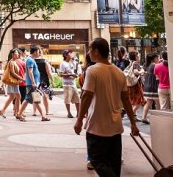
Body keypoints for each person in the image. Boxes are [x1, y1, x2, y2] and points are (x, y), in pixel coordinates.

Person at [74, 38, 139, 177]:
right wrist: (133, 123)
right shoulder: (119, 72)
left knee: (96, 159)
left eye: (90, 49)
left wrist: (79, 120)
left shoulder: (93, 70)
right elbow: (126, 99)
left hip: (97, 126)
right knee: (113, 163)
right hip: (115, 127)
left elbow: (86, 96)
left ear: (96, 51)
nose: (89, 53)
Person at [18, 47, 49, 121]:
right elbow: (30, 72)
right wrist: (33, 82)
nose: (39, 53)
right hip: (32, 84)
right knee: (28, 99)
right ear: (35, 52)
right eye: (38, 51)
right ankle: (19, 114)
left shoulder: (31, 60)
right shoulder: (30, 60)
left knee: (36, 100)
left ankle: (43, 116)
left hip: (33, 84)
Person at [0, 49, 22, 119]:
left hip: (14, 82)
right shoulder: (11, 62)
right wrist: (21, 78)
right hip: (13, 82)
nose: (18, 54)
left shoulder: (13, 61)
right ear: (12, 54)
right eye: (16, 53)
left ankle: (2, 111)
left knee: (13, 97)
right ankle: (17, 113)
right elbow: (13, 73)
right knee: (18, 96)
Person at [32, 46, 54, 115]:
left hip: (36, 80)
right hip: (44, 80)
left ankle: (34, 112)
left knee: (36, 95)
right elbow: (49, 72)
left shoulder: (32, 61)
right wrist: (52, 80)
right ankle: (47, 111)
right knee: (45, 96)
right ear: (40, 53)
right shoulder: (45, 61)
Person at [60, 50, 81, 119]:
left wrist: (75, 75)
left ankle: (78, 113)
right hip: (67, 84)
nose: (71, 54)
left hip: (73, 84)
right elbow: (61, 74)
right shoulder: (63, 63)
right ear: (66, 55)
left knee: (77, 99)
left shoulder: (72, 63)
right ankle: (69, 113)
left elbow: (75, 71)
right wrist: (71, 74)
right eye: (70, 53)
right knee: (67, 99)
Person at [125, 51, 146, 119]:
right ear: (136, 57)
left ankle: (134, 116)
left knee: (133, 100)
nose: (139, 57)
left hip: (130, 84)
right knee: (139, 100)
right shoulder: (136, 63)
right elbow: (136, 72)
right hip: (136, 84)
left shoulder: (130, 62)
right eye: (138, 56)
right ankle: (131, 115)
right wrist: (142, 72)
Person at [140, 53, 159, 124]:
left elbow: (142, 72)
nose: (159, 60)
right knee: (158, 102)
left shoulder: (146, 64)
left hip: (147, 86)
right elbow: (157, 75)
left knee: (149, 102)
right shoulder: (154, 65)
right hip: (153, 86)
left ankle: (144, 117)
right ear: (155, 59)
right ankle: (158, 118)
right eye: (158, 58)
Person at [15, 47, 28, 118]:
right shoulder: (23, 61)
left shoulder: (12, 61)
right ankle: (21, 112)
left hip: (16, 82)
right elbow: (26, 72)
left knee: (16, 97)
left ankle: (16, 111)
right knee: (22, 97)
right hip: (22, 82)